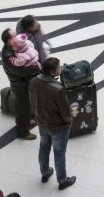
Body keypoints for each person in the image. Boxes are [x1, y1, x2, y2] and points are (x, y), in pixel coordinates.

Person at [29, 57, 77, 189]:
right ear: (52, 72)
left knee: (43, 147)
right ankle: (62, 181)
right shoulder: (58, 88)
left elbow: (32, 102)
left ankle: (45, 172)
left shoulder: (33, 82)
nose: (60, 69)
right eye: (58, 67)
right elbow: (65, 111)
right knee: (59, 152)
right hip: (58, 127)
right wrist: (68, 122)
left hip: (42, 123)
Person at [1, 28, 38, 141]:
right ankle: (23, 131)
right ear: (8, 41)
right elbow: (19, 71)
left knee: (25, 105)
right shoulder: (8, 55)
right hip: (19, 85)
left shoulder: (17, 47)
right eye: (14, 36)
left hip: (25, 82)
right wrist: (35, 69)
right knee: (23, 107)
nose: (17, 37)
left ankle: (24, 121)